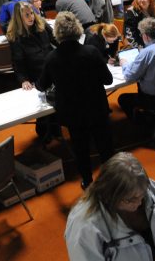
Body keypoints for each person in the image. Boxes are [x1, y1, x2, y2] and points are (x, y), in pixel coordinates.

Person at [37, 12, 114, 188]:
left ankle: (87, 182)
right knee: (105, 147)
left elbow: (42, 85)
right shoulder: (91, 52)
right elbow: (108, 80)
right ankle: (112, 180)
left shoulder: (52, 58)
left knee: (81, 149)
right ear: (77, 29)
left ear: (57, 33)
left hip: (72, 113)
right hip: (97, 108)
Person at [117, 17, 155, 122]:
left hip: (152, 98)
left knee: (123, 99)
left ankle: (140, 123)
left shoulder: (145, 53)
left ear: (145, 36)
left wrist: (124, 64)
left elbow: (128, 77)